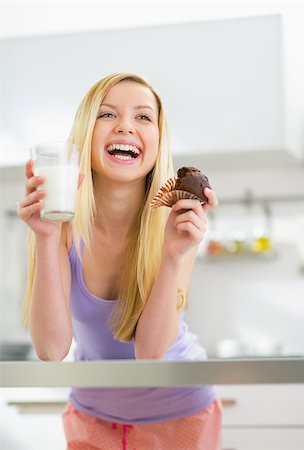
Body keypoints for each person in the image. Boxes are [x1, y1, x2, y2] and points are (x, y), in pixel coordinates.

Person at [18, 72, 222, 450]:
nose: (126, 126)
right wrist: (45, 240)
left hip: (180, 413)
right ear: (84, 134)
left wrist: (175, 255)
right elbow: (51, 349)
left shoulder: (175, 223)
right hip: (92, 416)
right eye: (107, 115)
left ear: (159, 141)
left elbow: (149, 353)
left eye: (143, 117)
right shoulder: (57, 221)